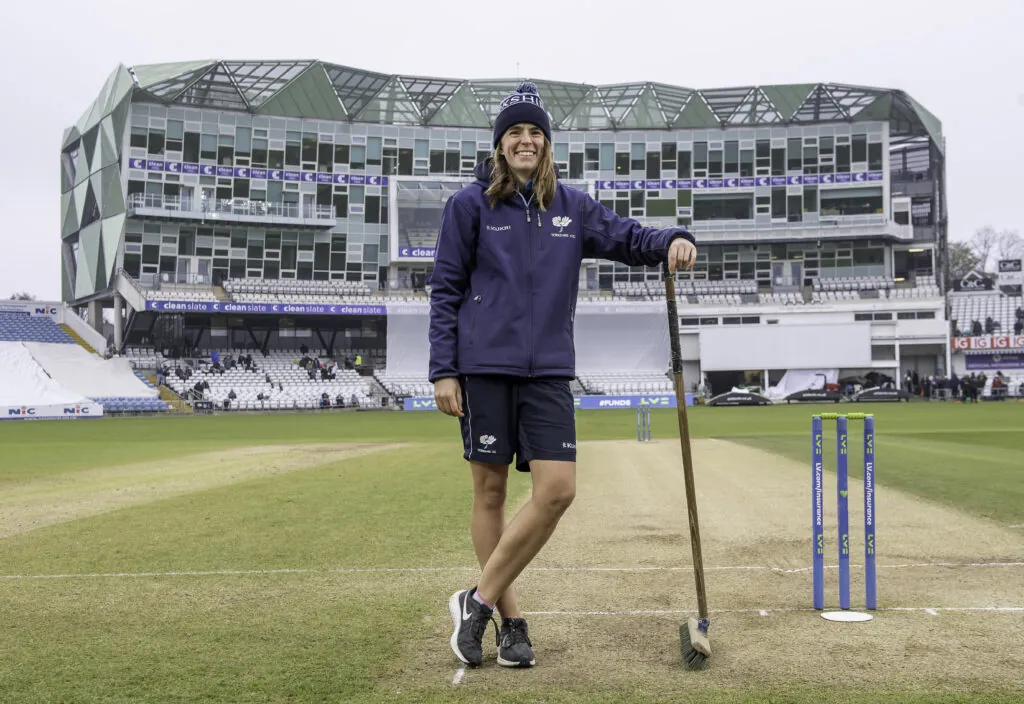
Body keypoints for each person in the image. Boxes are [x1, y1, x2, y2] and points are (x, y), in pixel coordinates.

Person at [427, 81, 697, 670]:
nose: (526, 141)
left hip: (549, 370)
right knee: (491, 492)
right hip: (483, 369)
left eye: (535, 133)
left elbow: (628, 237)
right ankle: (512, 623)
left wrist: (673, 237)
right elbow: (445, 290)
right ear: (500, 146)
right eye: (515, 133)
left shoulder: (571, 207)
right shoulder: (469, 205)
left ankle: (476, 601)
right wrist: (443, 371)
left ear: (547, 146)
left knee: (557, 490)